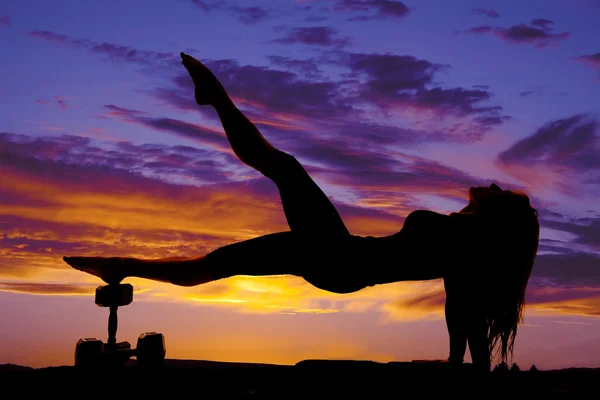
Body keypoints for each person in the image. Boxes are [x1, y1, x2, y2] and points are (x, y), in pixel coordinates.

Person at [64, 52, 540, 371]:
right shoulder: (461, 231)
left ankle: (216, 99)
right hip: (336, 257)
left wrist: (463, 369)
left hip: (341, 259)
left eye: (505, 193)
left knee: (284, 168)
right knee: (219, 263)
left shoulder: (468, 243)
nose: (496, 184)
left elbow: (463, 310)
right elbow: (462, 307)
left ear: (501, 217)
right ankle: (120, 266)